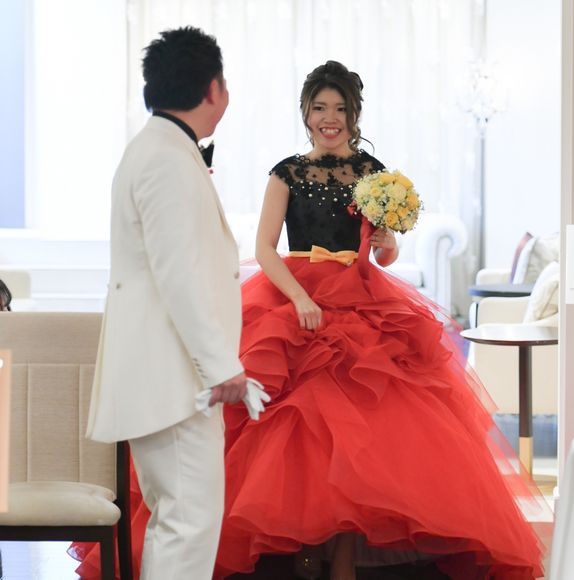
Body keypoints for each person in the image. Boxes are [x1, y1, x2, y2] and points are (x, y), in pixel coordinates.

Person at [212, 61, 546, 579]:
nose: (330, 118)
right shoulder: (286, 173)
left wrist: (388, 243)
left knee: (360, 438)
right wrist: (299, 299)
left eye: (340, 109)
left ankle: (343, 559)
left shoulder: (372, 173)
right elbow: (264, 248)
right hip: (297, 298)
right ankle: (301, 545)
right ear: (305, 113)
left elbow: (383, 256)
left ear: (354, 115)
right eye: (320, 108)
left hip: (359, 299)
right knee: (298, 428)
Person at [81, 26, 247, 580]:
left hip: (167, 374)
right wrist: (221, 366)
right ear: (213, 89)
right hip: (174, 377)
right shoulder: (167, 158)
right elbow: (179, 275)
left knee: (178, 520)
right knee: (188, 521)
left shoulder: (160, 148)